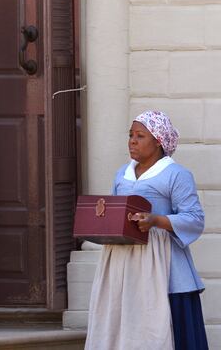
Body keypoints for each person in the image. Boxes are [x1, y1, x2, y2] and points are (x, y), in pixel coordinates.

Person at [85, 111, 208, 350]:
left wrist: (156, 220)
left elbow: (195, 219)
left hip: (162, 264)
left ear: (159, 141)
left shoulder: (177, 175)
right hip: (124, 265)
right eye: (130, 135)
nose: (132, 141)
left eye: (140, 136)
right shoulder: (122, 174)